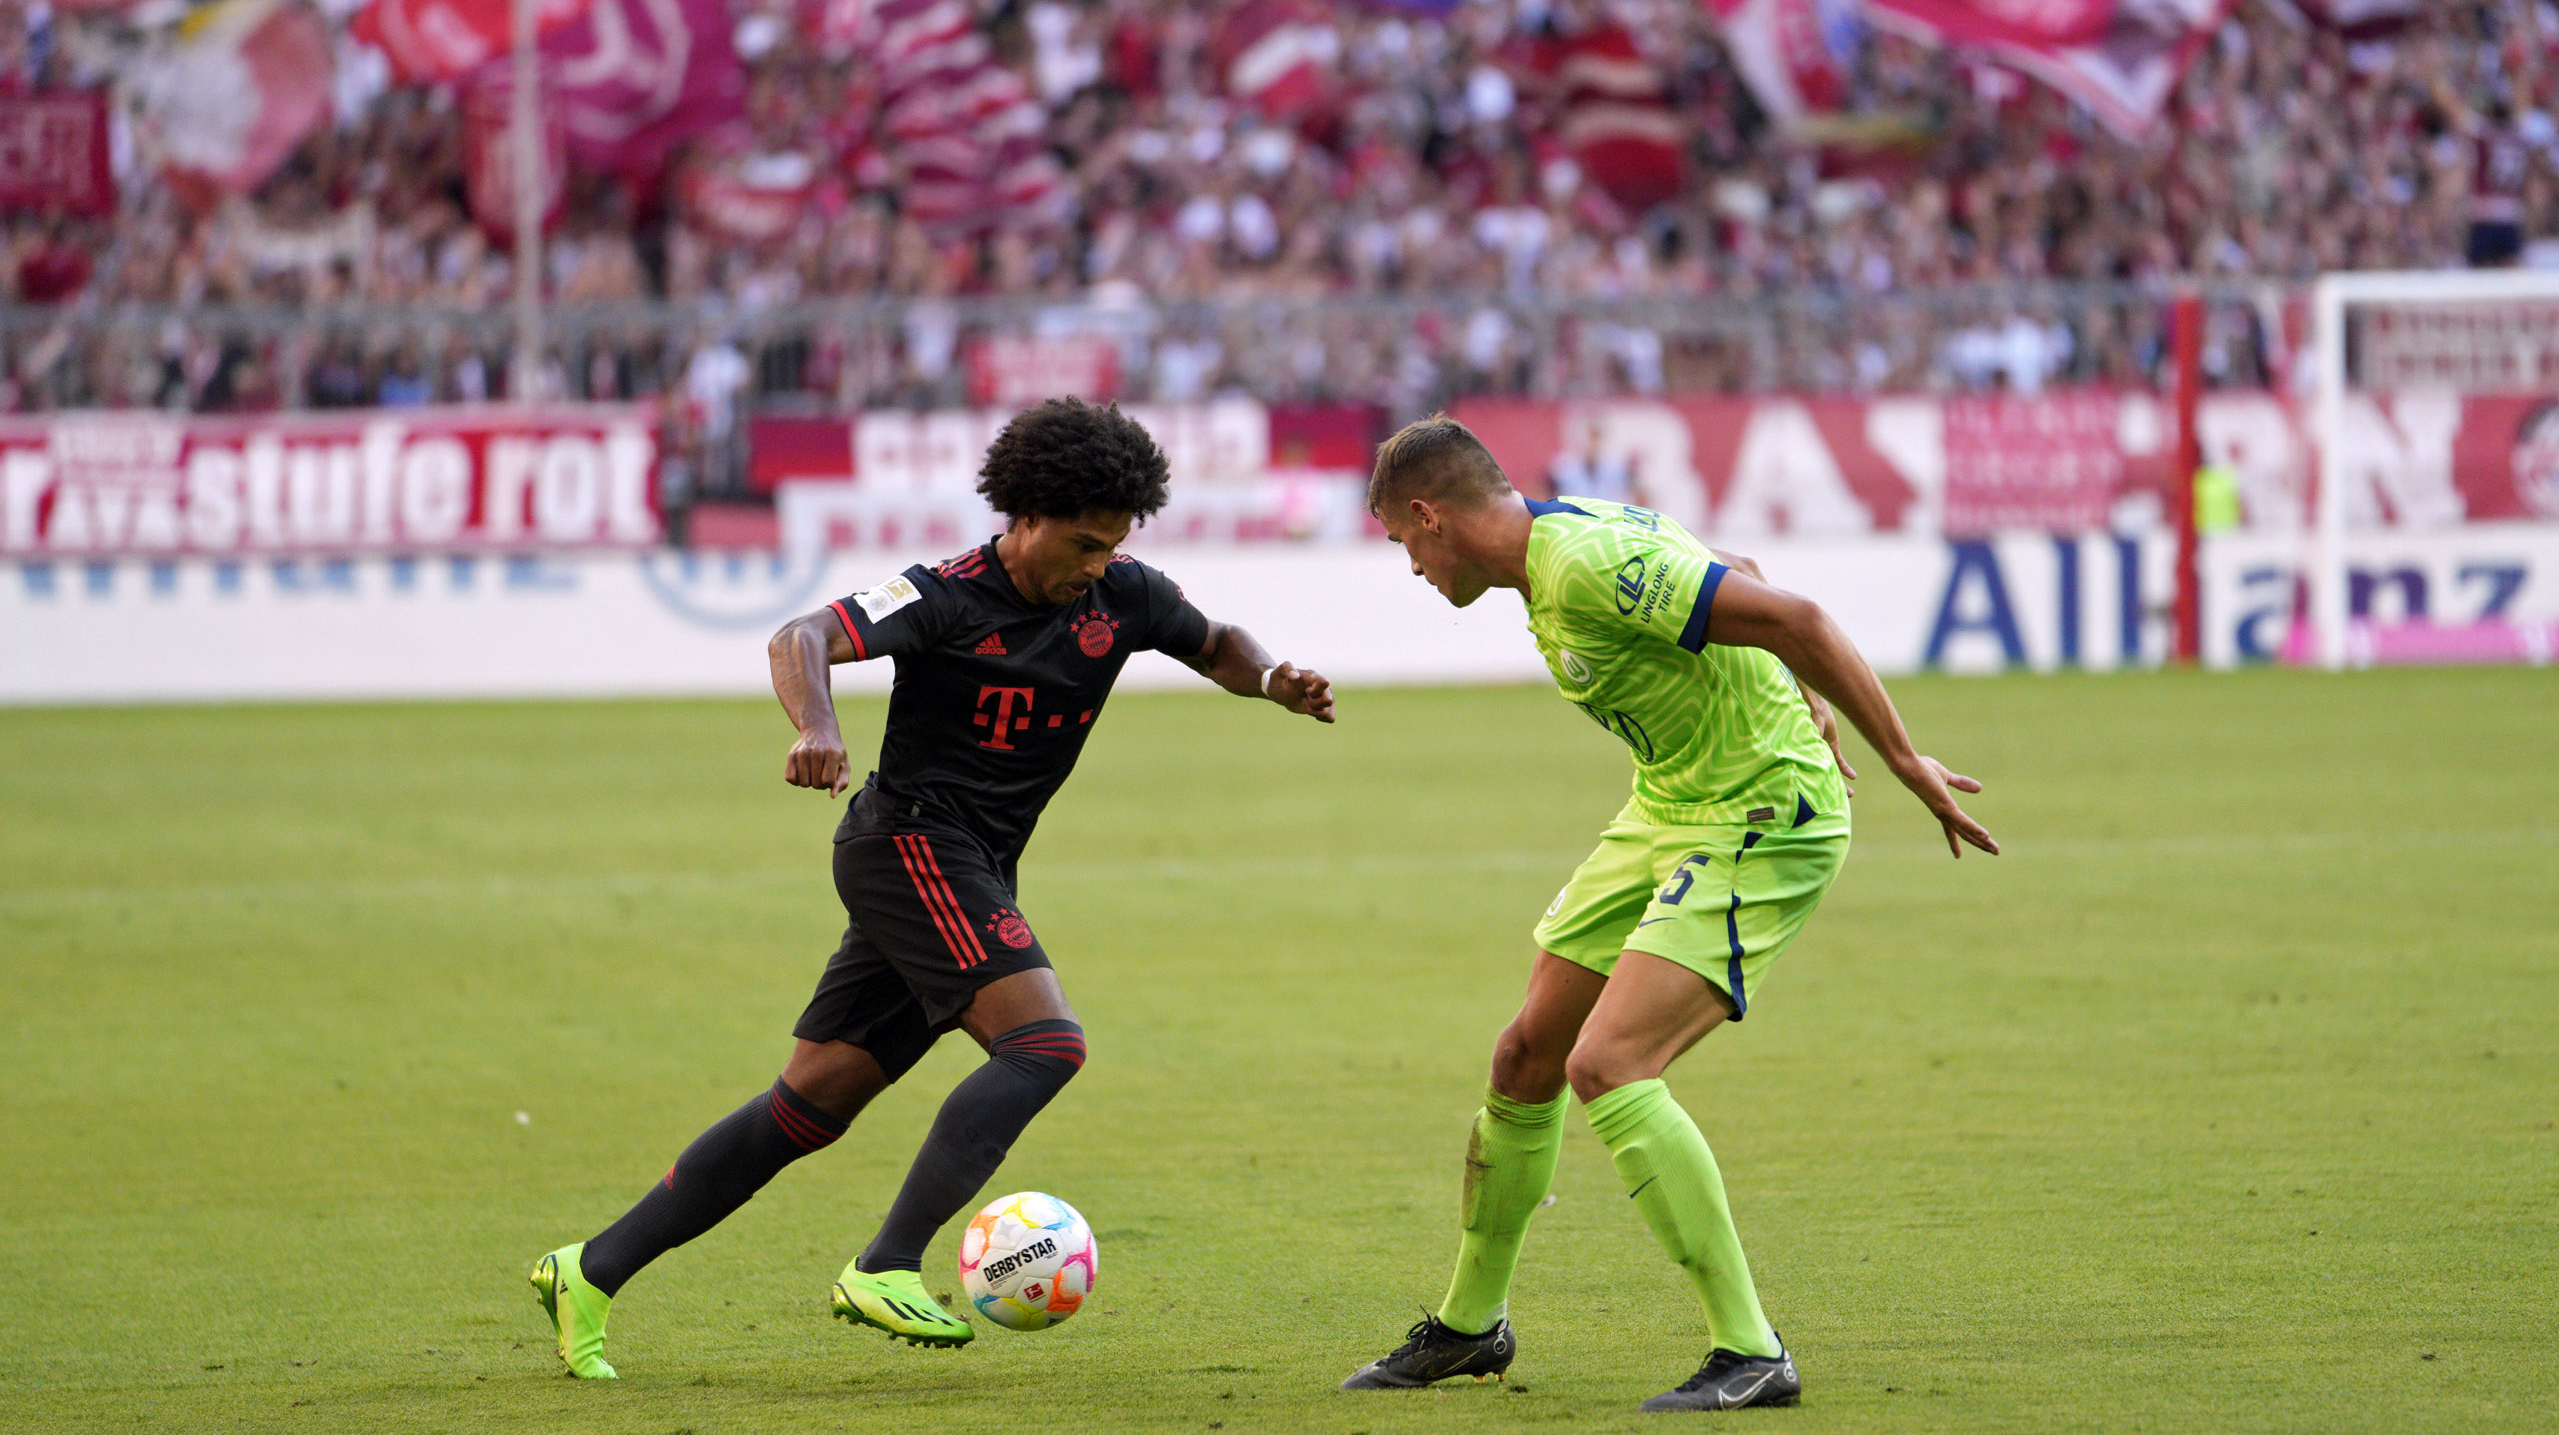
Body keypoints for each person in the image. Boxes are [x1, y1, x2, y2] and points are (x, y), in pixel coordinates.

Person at [529, 398, 1336, 1378]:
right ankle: (886, 1263)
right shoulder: (945, 594)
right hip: (908, 843)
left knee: (809, 1105)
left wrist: (1272, 678)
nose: (1096, 564)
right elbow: (801, 636)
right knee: (1044, 1044)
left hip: (968, 867)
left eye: (1111, 546)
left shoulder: (1122, 595)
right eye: (1082, 543)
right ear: (1024, 516)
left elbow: (1216, 640)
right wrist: (817, 727)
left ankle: (591, 1269)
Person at [1341, 415, 1994, 1411]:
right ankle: (1471, 1326)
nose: (1412, 566)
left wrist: (1902, 759)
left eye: (1402, 542)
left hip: (1762, 810)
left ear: (1430, 515)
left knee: (1607, 1065)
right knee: (1525, 1057)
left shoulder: (1581, 564)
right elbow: (1730, 564)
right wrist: (1796, 694)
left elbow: (1801, 617)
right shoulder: (1558, 541)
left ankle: (1752, 1351)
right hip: (1672, 805)